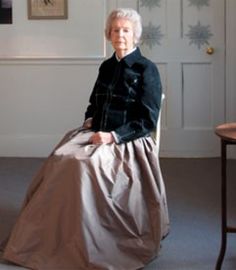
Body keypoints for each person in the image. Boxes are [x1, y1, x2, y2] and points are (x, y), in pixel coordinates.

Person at [3, 8, 169, 270]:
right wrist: (90, 120)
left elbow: (146, 121)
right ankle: (57, 231)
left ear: (135, 35)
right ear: (109, 34)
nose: (120, 35)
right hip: (96, 132)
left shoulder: (146, 69)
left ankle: (85, 237)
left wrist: (113, 136)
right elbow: (93, 103)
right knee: (61, 157)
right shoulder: (106, 66)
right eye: (115, 30)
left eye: (126, 30)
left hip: (126, 140)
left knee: (83, 166)